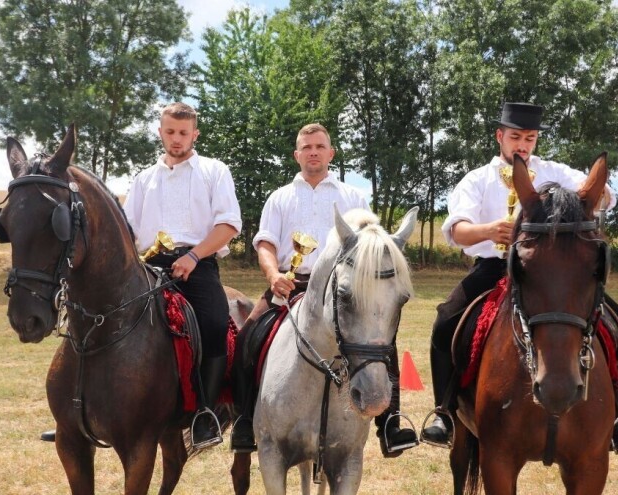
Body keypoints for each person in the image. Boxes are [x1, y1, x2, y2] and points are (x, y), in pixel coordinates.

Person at [419, 102, 618, 454]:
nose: (522, 145)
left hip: (546, 272)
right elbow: (457, 231)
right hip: (493, 268)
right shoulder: (477, 179)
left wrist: (598, 193)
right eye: (515, 137)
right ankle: (445, 412)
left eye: (530, 138)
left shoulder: (555, 171)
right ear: (500, 137)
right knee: (446, 319)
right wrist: (489, 229)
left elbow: (604, 198)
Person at [229, 123, 419, 457]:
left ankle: (389, 424)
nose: (313, 152)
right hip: (290, 286)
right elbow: (265, 244)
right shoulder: (280, 197)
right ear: (297, 155)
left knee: (381, 345)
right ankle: (245, 421)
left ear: (331, 153)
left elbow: (371, 246)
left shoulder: (352, 196)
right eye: (306, 147)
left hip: (344, 292)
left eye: (319, 146)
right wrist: (274, 275)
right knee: (247, 339)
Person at [124, 102, 242, 449]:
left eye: (183, 133)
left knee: (216, 323)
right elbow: (127, 230)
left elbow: (229, 225)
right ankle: (86, 408)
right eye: (170, 132)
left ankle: (205, 413)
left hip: (197, 264)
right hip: (147, 266)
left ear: (195, 134)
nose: (176, 139)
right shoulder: (144, 178)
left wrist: (193, 255)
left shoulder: (214, 171)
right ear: (160, 132)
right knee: (105, 317)